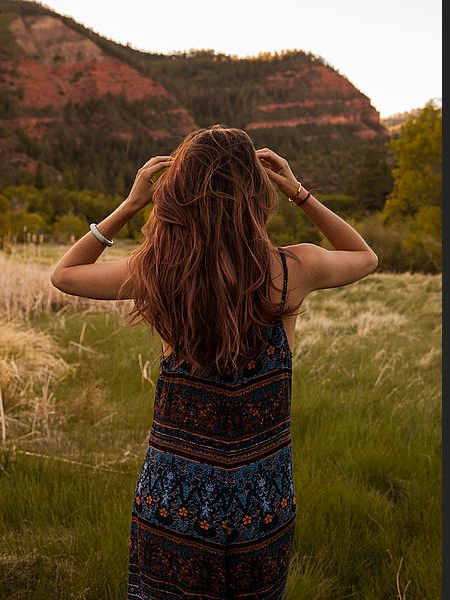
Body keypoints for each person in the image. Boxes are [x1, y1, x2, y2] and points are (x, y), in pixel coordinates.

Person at [50, 124, 378, 599]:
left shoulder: (158, 273)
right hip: (260, 494)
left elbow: (65, 275)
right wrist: (300, 193)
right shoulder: (292, 271)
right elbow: (364, 257)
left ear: (178, 193)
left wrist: (130, 204)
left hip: (173, 495)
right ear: (255, 193)